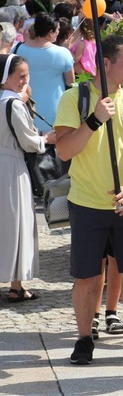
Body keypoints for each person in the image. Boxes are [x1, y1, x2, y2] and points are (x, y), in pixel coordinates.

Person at [55, 35, 123, 365]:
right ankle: (85, 338)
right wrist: (94, 120)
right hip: (88, 202)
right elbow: (64, 149)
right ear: (105, 64)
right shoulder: (75, 98)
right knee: (88, 276)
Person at [0, 54, 49, 302]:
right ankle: (16, 285)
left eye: (26, 76)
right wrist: (46, 139)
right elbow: (30, 143)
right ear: (6, 77)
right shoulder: (14, 104)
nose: (24, 81)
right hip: (11, 166)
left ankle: (15, 284)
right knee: (17, 223)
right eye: (20, 76)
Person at [15, 12, 74, 128]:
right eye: (57, 29)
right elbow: (70, 82)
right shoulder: (63, 53)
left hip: (24, 108)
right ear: (50, 32)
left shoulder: (17, 49)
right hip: (56, 111)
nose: (58, 32)